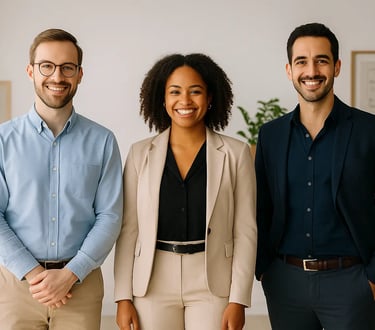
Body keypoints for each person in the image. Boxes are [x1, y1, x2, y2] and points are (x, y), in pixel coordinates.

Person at [114, 53, 257, 330]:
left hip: (213, 282)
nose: (185, 101)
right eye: (175, 92)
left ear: (210, 97)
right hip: (152, 281)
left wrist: (239, 299)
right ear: (163, 99)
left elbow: (246, 231)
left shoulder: (236, 153)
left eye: (196, 91)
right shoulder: (139, 153)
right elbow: (128, 230)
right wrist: (123, 297)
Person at [0, 28, 123, 330]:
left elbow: (110, 215)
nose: (57, 77)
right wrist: (32, 273)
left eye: (67, 67)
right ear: (31, 71)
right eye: (47, 66)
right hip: (16, 286)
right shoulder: (3, 140)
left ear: (80, 74)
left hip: (80, 286)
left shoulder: (103, 140)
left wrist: (70, 273)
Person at [255, 22, 375, 330]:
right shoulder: (271, 136)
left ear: (336, 66)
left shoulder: (368, 131)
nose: (312, 70)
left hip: (352, 283)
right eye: (302, 61)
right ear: (289, 69)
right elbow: (262, 207)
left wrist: (373, 276)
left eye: (321, 60)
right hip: (285, 282)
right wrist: (264, 269)